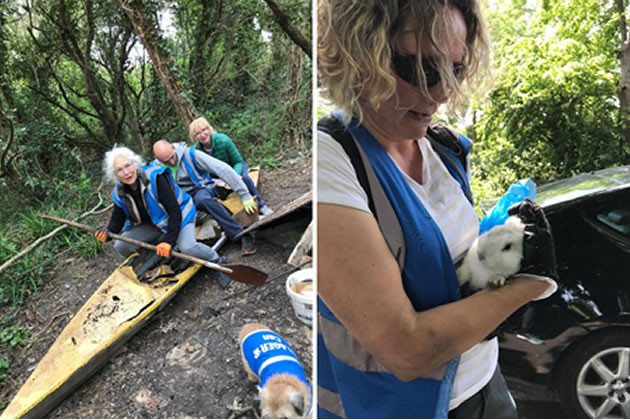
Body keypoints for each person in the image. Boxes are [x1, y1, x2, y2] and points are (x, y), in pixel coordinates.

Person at [317, 0, 557, 418]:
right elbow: (405, 351)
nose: (443, 90)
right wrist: (534, 284)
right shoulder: (331, 162)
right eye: (421, 68)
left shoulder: (444, 148)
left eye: (455, 68)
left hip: (485, 384)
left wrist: (499, 244)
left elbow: (448, 270)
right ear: (358, 52)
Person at [94, 145, 231, 288]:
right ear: (115, 175)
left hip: (180, 213)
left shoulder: (155, 178)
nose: (126, 172)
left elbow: (174, 212)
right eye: (120, 170)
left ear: (134, 164)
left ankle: (218, 261)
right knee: (121, 245)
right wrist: (107, 234)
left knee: (188, 247)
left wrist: (168, 241)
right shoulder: (120, 192)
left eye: (128, 166)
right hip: (156, 223)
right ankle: (153, 260)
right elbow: (117, 221)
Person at [152, 139, 258, 255]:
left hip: (200, 189)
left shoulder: (191, 154)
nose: (172, 163)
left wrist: (244, 194)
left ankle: (240, 235)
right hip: (181, 198)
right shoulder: (156, 169)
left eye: (172, 157)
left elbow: (222, 169)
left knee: (202, 200)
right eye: (166, 161)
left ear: (173, 147)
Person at [188, 117, 273, 217]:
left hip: (234, 167)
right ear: (194, 137)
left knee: (245, 179)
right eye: (198, 134)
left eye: (203, 130)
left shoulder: (223, 140)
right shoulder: (195, 152)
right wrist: (215, 181)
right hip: (217, 178)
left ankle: (261, 205)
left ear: (209, 129)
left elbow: (238, 161)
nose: (202, 135)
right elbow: (200, 175)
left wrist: (235, 175)